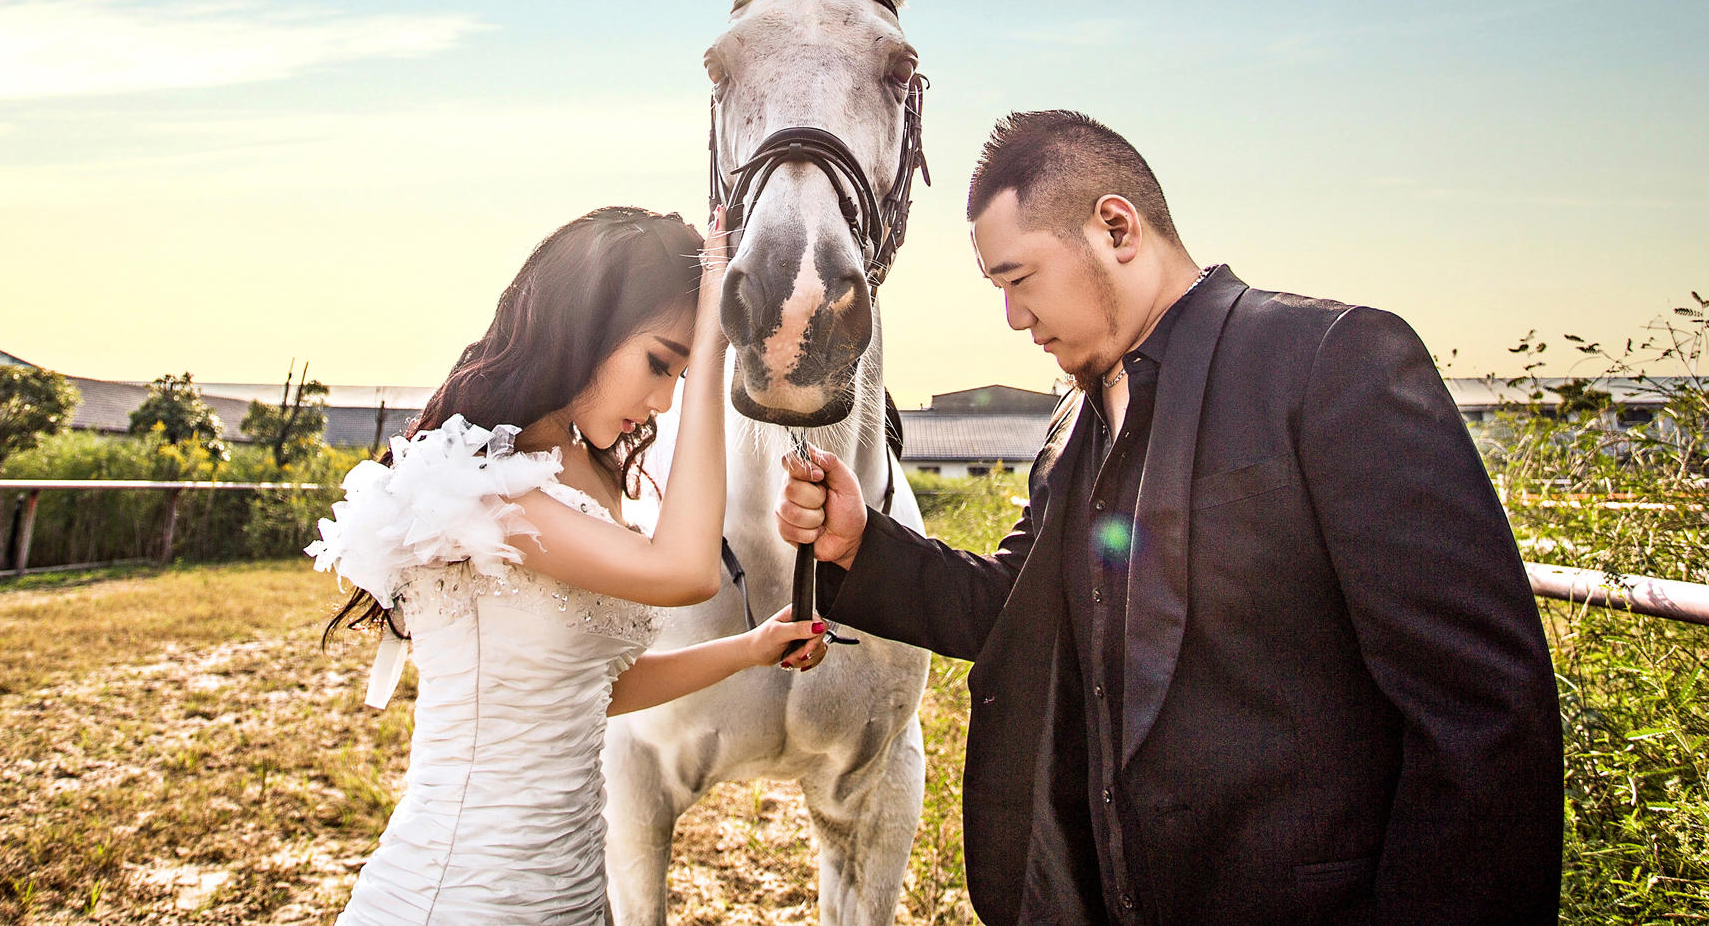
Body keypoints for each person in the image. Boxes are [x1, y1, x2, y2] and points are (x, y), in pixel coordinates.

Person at [776, 112, 1564, 926]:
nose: (1013, 318)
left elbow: (1483, 710)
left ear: (1116, 227)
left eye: (1019, 278)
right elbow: (1021, 608)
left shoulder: (1332, 360)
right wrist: (860, 543)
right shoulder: (1072, 420)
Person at [308, 205, 826, 926]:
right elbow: (687, 571)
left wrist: (750, 649)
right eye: (659, 362)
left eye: (679, 372)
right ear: (586, 328)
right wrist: (710, 344)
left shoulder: (588, 474)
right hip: (465, 895)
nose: (663, 401)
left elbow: (593, 691)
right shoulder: (483, 487)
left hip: (577, 890)